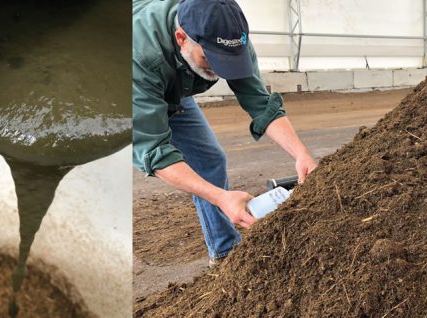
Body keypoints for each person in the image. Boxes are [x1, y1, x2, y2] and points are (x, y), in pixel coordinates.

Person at [133, 0, 318, 265]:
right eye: (210, 59)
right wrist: (221, 197)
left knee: (210, 160)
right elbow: (153, 151)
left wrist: (301, 154)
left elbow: (260, 103)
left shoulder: (229, 36)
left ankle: (225, 254)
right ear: (181, 38)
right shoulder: (140, 56)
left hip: (174, 86)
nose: (220, 70)